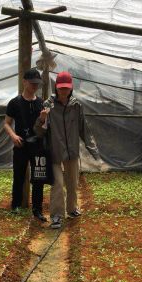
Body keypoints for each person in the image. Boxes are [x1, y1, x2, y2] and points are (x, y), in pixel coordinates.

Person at [35, 71, 100, 229]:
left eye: (67, 88)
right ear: (56, 87)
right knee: (57, 184)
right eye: (61, 88)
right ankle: (56, 216)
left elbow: (83, 128)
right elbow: (38, 131)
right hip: (55, 151)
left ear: (71, 88)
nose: (64, 91)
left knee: (72, 182)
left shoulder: (76, 105)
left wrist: (94, 151)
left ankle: (72, 209)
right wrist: (42, 119)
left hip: (71, 151)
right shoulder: (47, 105)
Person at [3, 68, 46, 221]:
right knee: (19, 176)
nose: (35, 86)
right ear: (25, 82)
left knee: (38, 178)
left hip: (38, 146)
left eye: (37, 83)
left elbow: (45, 127)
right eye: (32, 83)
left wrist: (43, 118)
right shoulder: (14, 103)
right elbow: (7, 123)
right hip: (20, 144)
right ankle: (15, 205)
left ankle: (37, 209)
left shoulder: (42, 103)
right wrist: (13, 135)